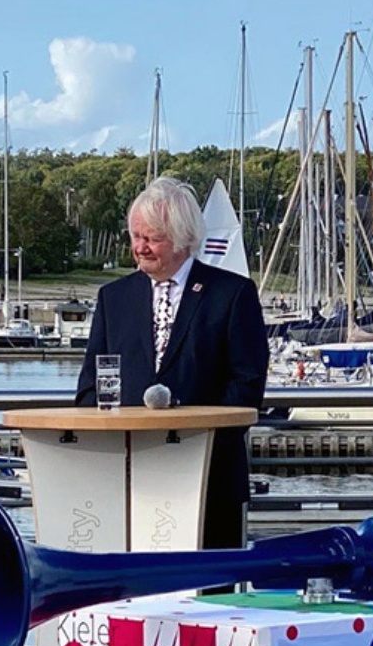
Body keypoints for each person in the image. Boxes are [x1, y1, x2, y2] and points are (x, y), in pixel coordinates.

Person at [75, 175, 268, 548]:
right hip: (128, 482)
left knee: (210, 584)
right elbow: (88, 391)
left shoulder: (232, 294)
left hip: (208, 480)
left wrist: (193, 436)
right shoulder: (113, 298)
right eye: (136, 236)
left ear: (183, 239)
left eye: (152, 238)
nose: (140, 248)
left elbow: (247, 386)